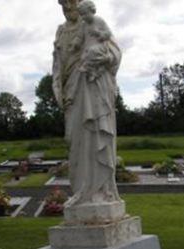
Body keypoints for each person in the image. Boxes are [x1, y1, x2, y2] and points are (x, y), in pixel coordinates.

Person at [53, 0, 122, 208]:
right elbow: (58, 62)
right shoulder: (61, 32)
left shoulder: (94, 24)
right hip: (72, 92)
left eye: (71, 4)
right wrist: (56, 84)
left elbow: (115, 52)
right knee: (74, 140)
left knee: (95, 135)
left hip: (93, 88)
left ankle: (101, 191)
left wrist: (102, 59)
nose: (67, 9)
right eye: (63, 5)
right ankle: (81, 191)